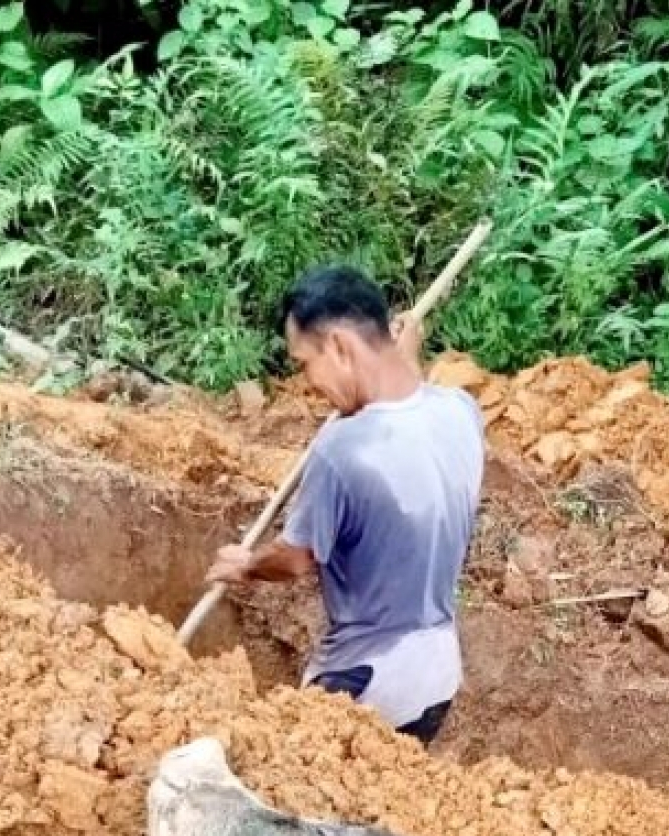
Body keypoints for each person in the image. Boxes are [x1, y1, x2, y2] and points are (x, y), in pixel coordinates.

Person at [203, 265, 485, 745]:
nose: (307, 382)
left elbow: (295, 560)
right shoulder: (459, 412)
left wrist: (246, 565)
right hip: (436, 679)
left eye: (303, 363)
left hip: (363, 687)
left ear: (338, 346)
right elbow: (409, 410)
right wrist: (401, 361)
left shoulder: (342, 449)